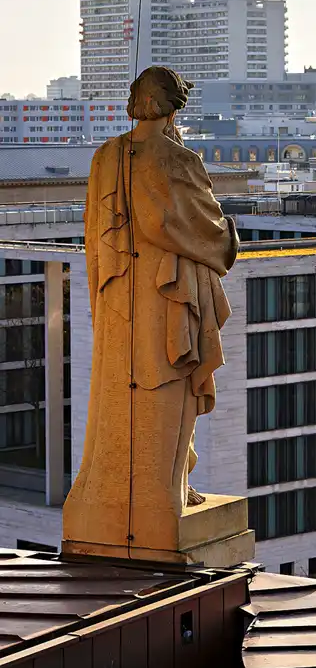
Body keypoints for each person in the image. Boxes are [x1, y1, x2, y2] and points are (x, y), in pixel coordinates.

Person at [63, 67, 239, 557]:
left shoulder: (105, 157)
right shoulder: (178, 160)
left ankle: (114, 500)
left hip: (119, 303)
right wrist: (230, 235)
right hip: (165, 302)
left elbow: (95, 237)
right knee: (169, 393)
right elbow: (207, 232)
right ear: (174, 108)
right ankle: (166, 496)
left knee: (117, 399)